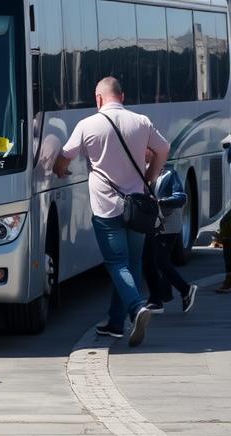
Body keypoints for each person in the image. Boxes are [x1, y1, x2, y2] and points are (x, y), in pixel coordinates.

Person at [53, 77, 170, 347]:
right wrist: (150, 177)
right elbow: (163, 148)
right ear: (123, 96)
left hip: (106, 208)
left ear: (98, 98)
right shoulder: (141, 121)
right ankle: (116, 324)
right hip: (138, 207)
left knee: (117, 263)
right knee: (133, 263)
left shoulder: (87, 125)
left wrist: (60, 169)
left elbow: (64, 156)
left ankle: (136, 308)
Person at [141, 171, 196, 313]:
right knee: (148, 261)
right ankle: (157, 300)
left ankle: (185, 289)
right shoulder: (142, 171)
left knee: (160, 261)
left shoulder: (170, 174)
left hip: (168, 226)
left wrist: (161, 202)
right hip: (153, 225)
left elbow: (181, 197)